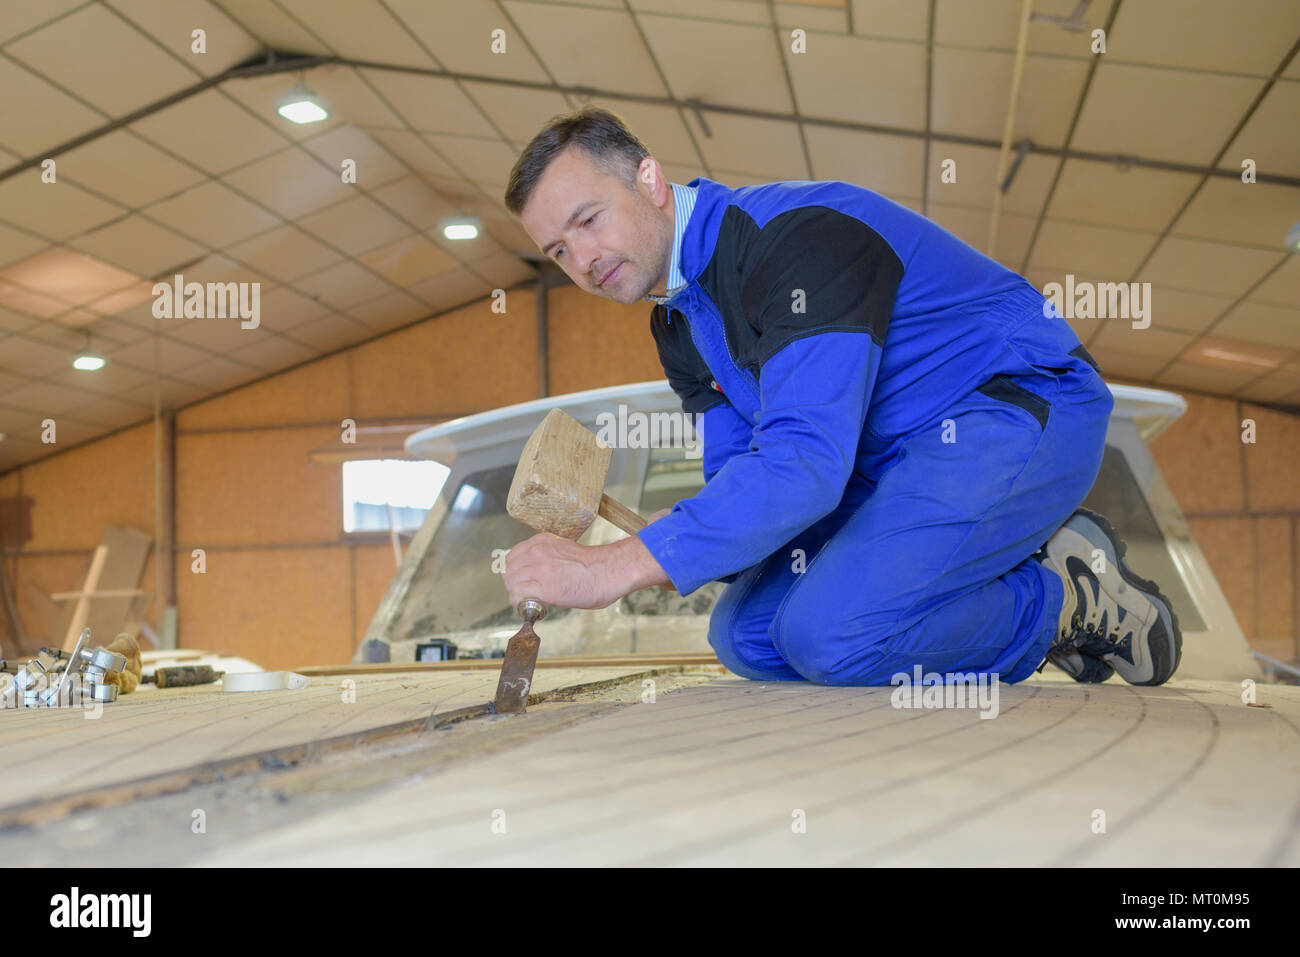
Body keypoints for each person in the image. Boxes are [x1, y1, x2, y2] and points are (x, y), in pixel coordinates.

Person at [499, 106, 1181, 687]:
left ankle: (1062, 598)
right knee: (748, 638)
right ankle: (994, 569)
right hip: (888, 465)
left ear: (648, 179)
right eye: (558, 250)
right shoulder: (676, 326)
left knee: (832, 637)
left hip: (1013, 408)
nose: (583, 260)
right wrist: (677, 541)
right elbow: (745, 473)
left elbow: (804, 466)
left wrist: (610, 569)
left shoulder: (795, 241)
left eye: (588, 219)